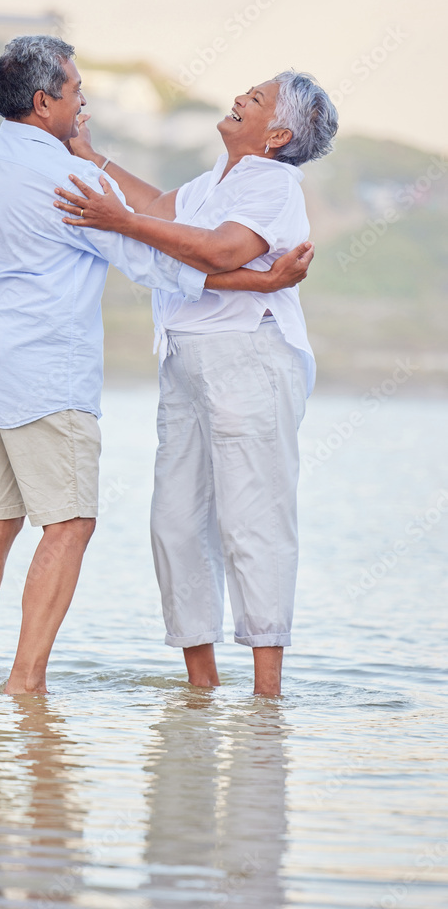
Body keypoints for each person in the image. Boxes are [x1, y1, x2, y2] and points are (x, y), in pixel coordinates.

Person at [0, 35, 312, 694]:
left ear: (278, 133)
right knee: (79, 521)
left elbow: (168, 223)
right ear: (43, 101)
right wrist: (258, 283)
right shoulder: (71, 181)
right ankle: (26, 684)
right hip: (44, 370)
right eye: (76, 91)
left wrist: (97, 169)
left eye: (252, 100)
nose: (83, 100)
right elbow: (157, 246)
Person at [55, 70, 338, 695]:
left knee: (252, 519)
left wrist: (119, 222)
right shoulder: (221, 179)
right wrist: (89, 157)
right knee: (176, 522)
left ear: (278, 134)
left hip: (250, 356)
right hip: (186, 358)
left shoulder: (274, 185)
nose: (240, 97)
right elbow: (159, 208)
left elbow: (218, 251)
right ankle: (202, 689)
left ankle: (268, 694)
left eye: (256, 100)